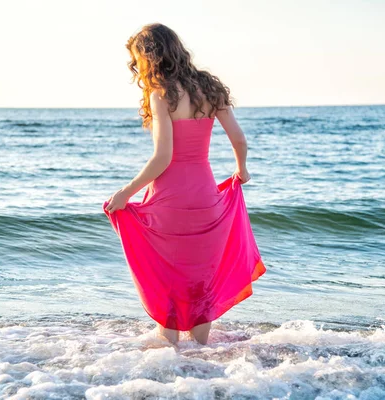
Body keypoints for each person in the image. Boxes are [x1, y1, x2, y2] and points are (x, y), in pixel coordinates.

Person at [103, 23, 266, 346]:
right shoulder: (210, 89)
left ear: (150, 57)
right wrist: (241, 170)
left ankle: (170, 359)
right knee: (199, 276)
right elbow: (238, 138)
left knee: (168, 276)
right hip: (204, 193)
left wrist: (125, 193)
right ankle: (201, 360)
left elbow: (163, 157)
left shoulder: (161, 94)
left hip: (170, 195)